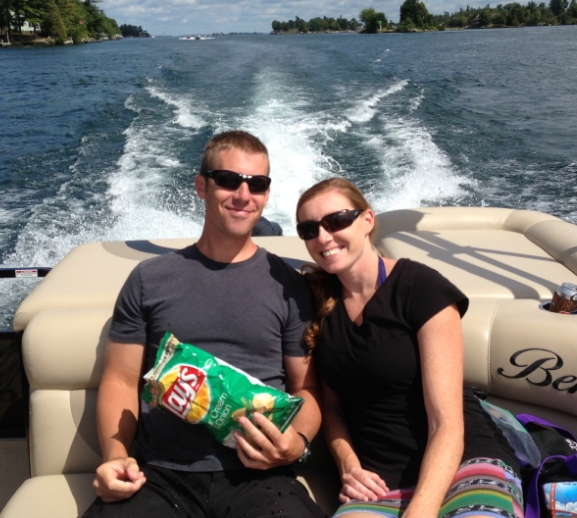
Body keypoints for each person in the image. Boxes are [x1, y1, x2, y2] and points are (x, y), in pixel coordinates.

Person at [82, 131, 325, 518]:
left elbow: (306, 388)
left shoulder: (290, 286)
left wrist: (297, 444)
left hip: (261, 478)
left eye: (257, 184)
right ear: (201, 186)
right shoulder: (148, 280)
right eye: (229, 180)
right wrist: (115, 456)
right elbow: (121, 380)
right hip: (160, 475)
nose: (244, 195)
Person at [295, 178, 524, 518]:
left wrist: (422, 510)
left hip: (462, 461)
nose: (324, 237)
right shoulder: (315, 302)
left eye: (337, 220)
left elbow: (445, 423)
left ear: (367, 220)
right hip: (377, 479)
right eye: (309, 229)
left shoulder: (420, 289)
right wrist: (348, 465)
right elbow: (333, 408)